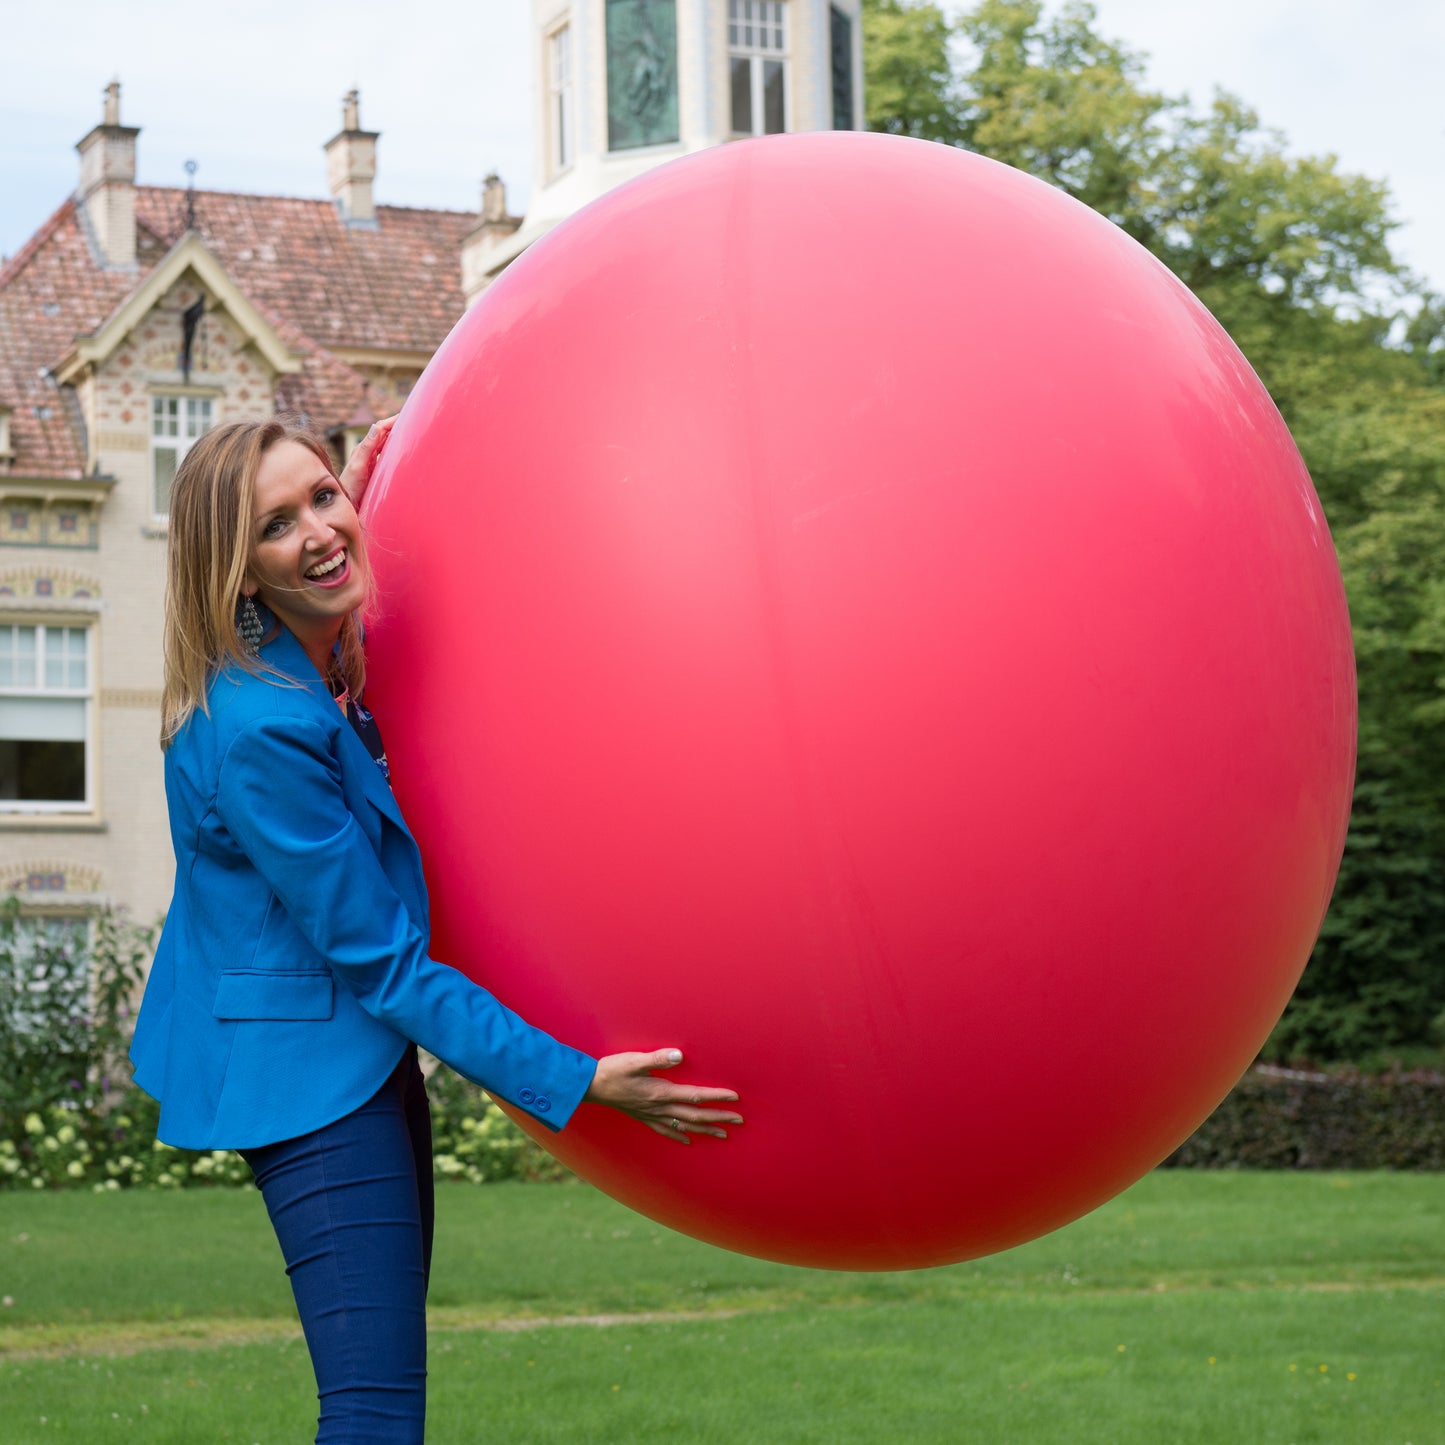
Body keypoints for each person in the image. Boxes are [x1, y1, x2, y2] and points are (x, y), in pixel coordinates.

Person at [129, 415, 742, 1444]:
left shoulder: (295, 658)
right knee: (372, 1412)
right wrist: (576, 1081)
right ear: (236, 570)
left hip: (352, 1064)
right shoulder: (261, 729)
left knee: (380, 1398)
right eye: (276, 525)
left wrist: (370, 491)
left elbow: (341, 607)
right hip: (308, 1085)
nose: (320, 531)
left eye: (322, 496)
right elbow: (384, 965)